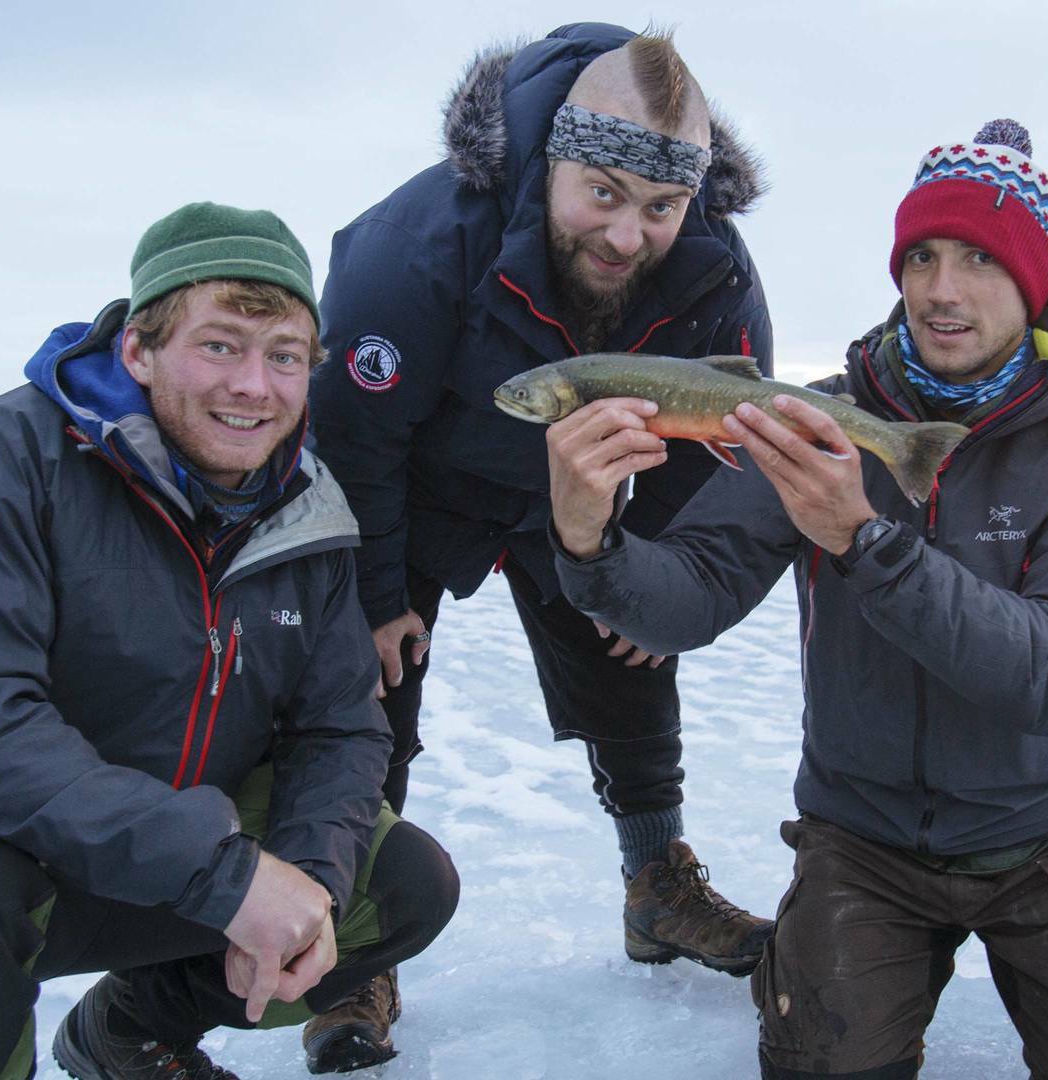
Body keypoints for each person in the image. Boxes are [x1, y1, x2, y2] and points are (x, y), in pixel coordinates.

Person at [546, 120, 1048, 1078]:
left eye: (981, 259)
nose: (942, 290)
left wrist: (864, 541)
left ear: (1033, 279)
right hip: (863, 836)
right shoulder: (814, 420)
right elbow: (685, 604)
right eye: (922, 257)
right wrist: (589, 539)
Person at [0, 203, 459, 1080]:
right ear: (138, 349)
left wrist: (310, 882)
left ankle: (128, 1030)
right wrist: (223, 875)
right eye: (220, 346)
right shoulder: (5, 461)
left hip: (167, 842)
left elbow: (340, 729)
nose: (255, 385)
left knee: (398, 884)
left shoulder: (309, 512)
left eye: (285, 356)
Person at [307, 20, 776, 1041]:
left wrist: (651, 579)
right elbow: (353, 439)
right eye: (603, 193)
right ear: (552, 162)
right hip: (415, 483)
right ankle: (352, 943)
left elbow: (712, 443)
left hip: (578, 484)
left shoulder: (712, 271)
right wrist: (377, 598)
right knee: (368, 683)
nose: (627, 236)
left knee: (628, 648)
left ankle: (657, 885)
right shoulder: (414, 248)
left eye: (660, 207)